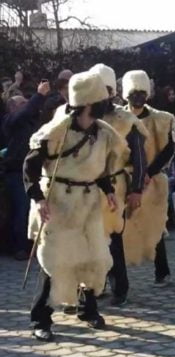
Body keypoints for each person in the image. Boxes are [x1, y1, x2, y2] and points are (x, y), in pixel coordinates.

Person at [26, 71, 126, 341]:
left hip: (90, 202)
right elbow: (30, 166)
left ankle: (88, 310)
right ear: (90, 103)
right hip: (59, 203)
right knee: (55, 262)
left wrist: (108, 191)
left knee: (94, 258)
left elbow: (101, 169)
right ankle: (41, 319)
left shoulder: (103, 132)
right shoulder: (57, 131)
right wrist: (39, 198)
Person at [90, 64, 149, 306]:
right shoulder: (84, 116)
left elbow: (139, 157)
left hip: (115, 185)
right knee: (90, 237)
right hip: (88, 188)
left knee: (113, 238)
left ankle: (119, 288)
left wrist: (136, 190)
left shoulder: (126, 119)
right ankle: (93, 285)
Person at [121, 70, 175, 286]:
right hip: (124, 178)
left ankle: (162, 271)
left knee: (155, 225)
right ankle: (112, 277)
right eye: (134, 93)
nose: (138, 97)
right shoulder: (117, 119)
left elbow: (168, 149)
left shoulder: (161, 119)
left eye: (142, 92)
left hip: (152, 182)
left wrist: (149, 173)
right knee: (117, 227)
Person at [2, 80, 49, 260]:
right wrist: (39, 95)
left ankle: (32, 245)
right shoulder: (10, 121)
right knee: (21, 210)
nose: (27, 105)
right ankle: (19, 248)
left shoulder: (30, 123)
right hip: (16, 173)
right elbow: (27, 112)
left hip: (32, 173)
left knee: (31, 210)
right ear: (13, 108)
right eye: (22, 103)